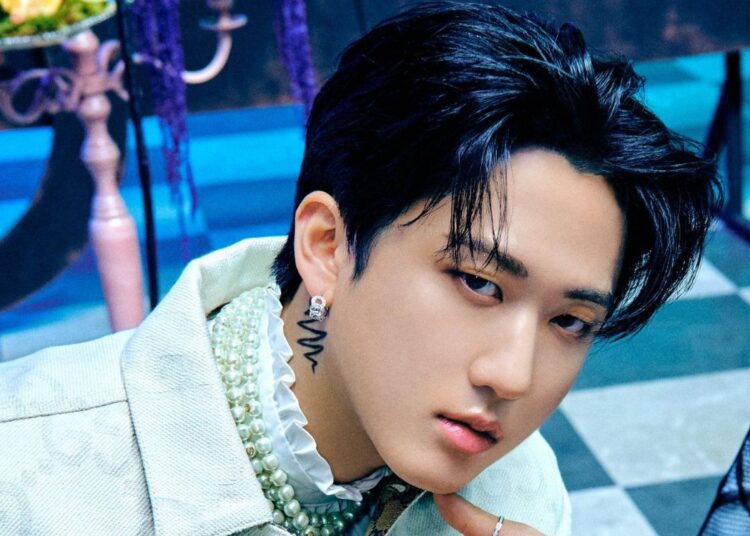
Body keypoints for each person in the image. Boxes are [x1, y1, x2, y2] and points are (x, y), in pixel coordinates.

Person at [0, 2, 720, 535]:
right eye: (478, 282)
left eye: (570, 321)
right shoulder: (27, 474)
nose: (513, 376)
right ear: (326, 246)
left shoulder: (519, 488)